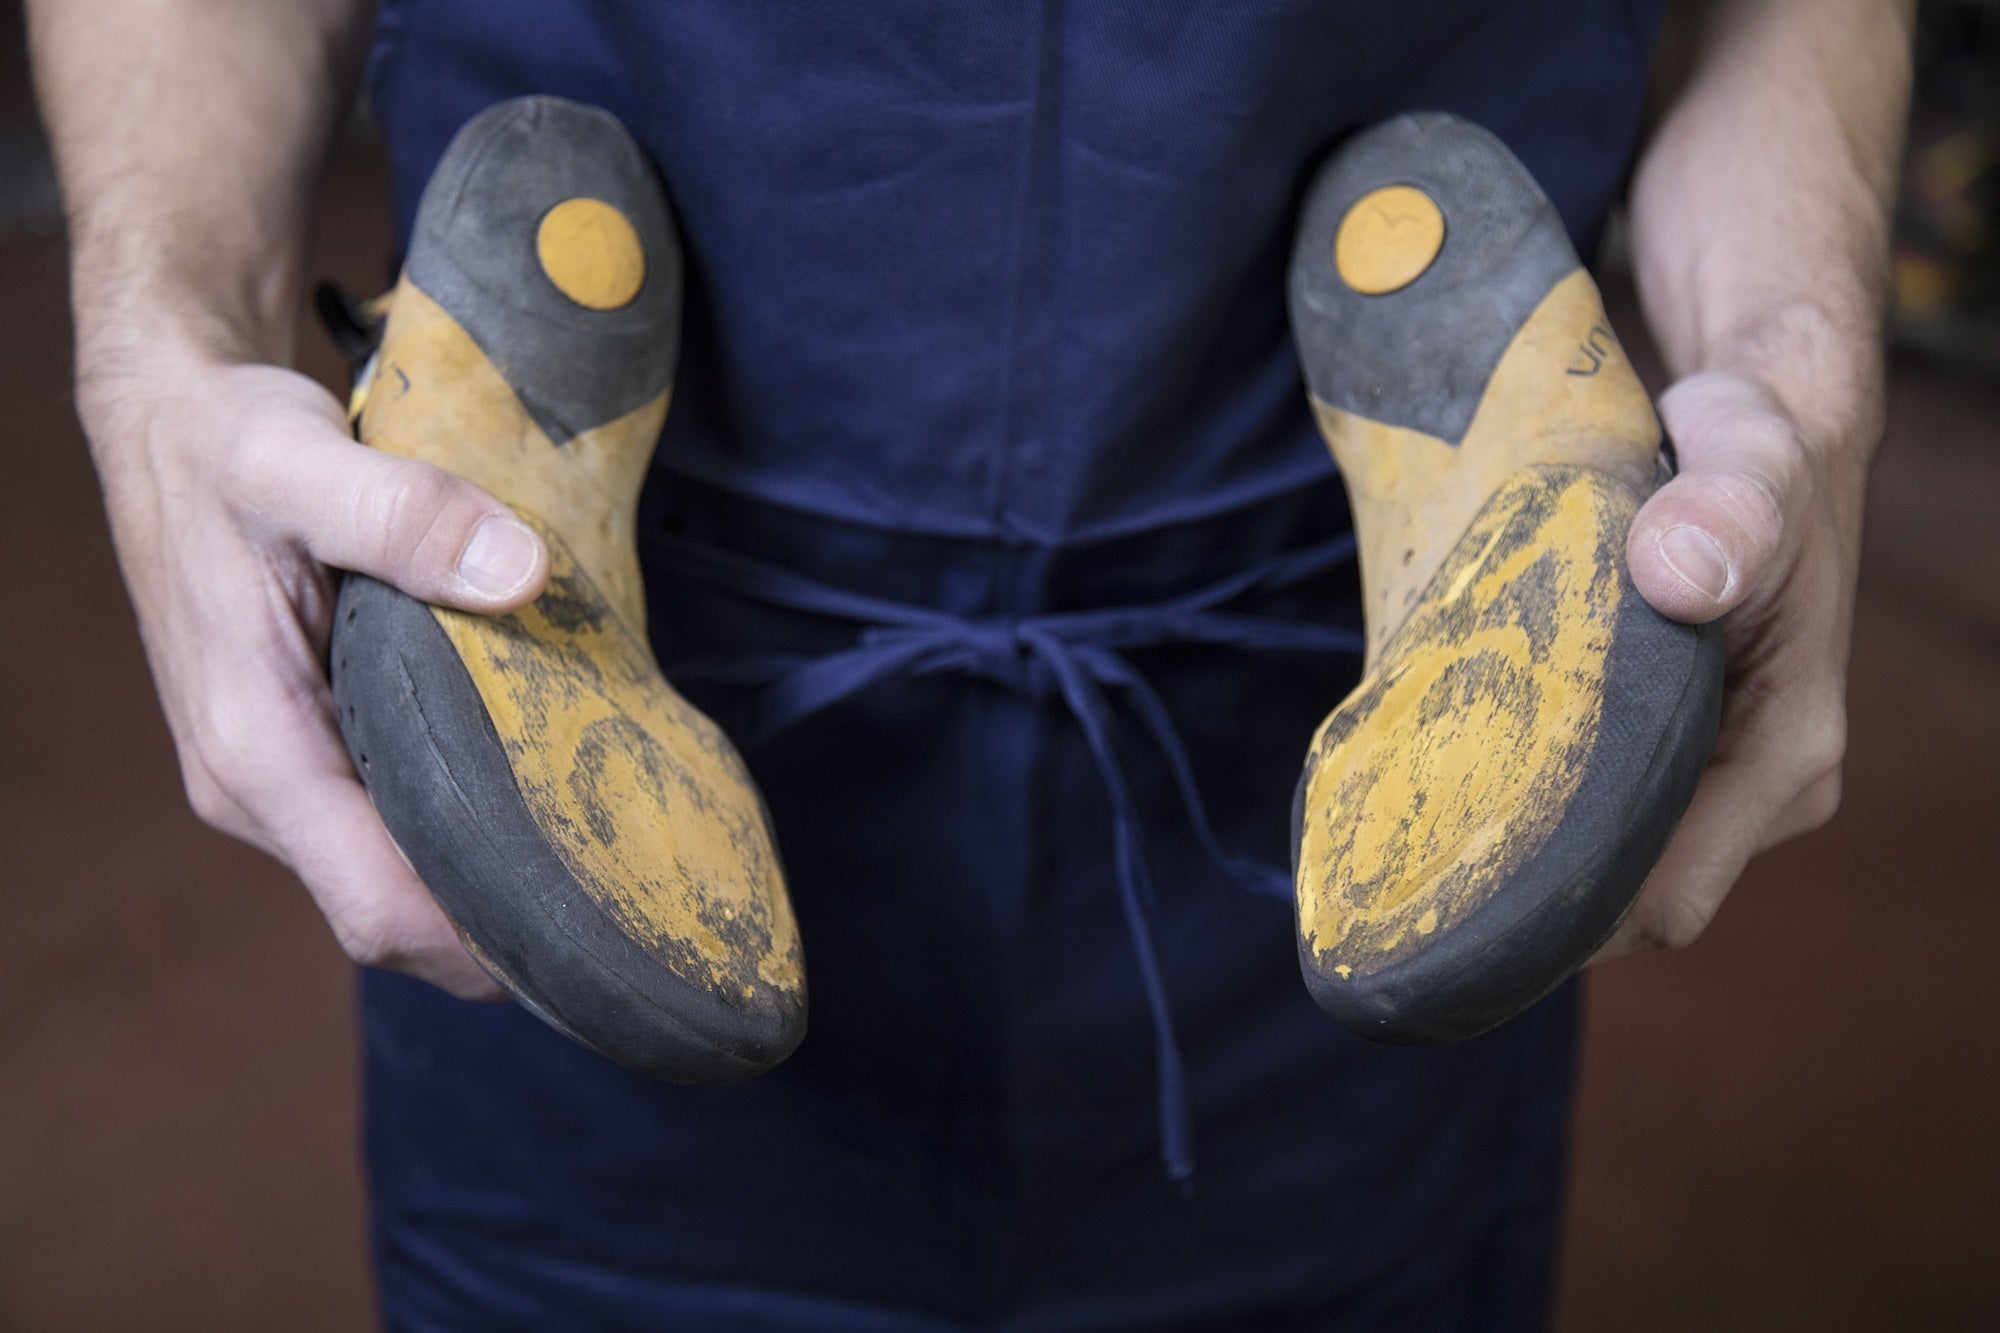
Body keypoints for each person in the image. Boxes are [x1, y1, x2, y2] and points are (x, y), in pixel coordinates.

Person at [28, 0, 1910, 1326]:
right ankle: (515, 397)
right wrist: (163, 340)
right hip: (578, 764)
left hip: (1390, 729)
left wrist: (1798, 366)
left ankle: (1500, 443)